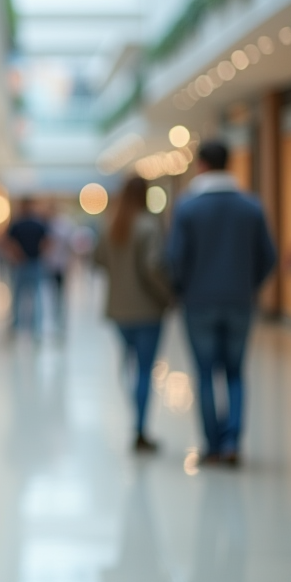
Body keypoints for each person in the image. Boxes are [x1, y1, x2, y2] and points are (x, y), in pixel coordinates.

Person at [167, 140, 275, 466]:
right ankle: (232, 444)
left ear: (200, 165)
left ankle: (212, 446)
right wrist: (247, 284)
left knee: (204, 374)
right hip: (240, 301)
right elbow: (268, 257)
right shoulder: (251, 206)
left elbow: (175, 258)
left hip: (198, 303)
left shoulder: (187, 207)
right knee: (235, 373)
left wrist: (183, 289)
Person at [94, 176, 171, 452]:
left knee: (129, 365)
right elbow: (153, 266)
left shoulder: (111, 225)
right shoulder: (149, 225)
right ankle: (140, 428)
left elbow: (99, 260)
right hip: (147, 309)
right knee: (144, 370)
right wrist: (168, 295)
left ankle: (135, 418)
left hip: (119, 309)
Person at [5, 196, 48, 338]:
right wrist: (40, 253)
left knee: (19, 296)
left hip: (21, 264)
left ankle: (17, 326)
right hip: (34, 262)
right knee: (35, 296)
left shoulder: (17, 224)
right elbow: (47, 242)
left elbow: (9, 243)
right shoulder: (39, 224)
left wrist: (18, 255)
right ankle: (36, 328)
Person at [44, 205, 76, 334]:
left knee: (58, 293)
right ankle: (57, 318)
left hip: (59, 264)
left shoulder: (56, 225)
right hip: (54, 264)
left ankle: (59, 318)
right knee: (55, 292)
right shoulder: (50, 225)